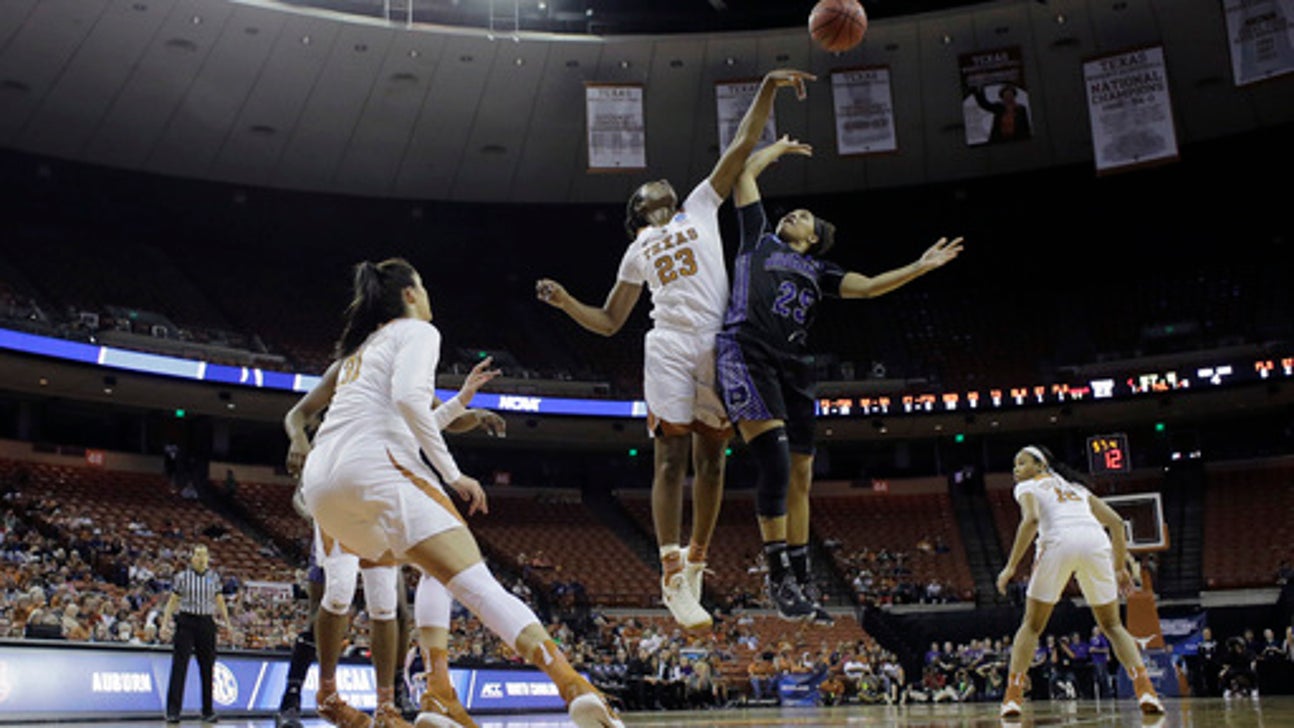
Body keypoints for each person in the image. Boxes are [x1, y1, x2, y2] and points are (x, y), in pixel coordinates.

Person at [535, 67, 815, 631]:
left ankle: (695, 562)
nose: (657, 182)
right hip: (666, 344)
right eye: (646, 189)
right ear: (639, 211)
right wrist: (568, 303)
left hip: (720, 344)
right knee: (671, 459)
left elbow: (741, 145)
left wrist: (765, 88)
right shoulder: (638, 250)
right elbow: (612, 320)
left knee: (713, 459)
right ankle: (669, 571)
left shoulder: (700, 205)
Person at [296, 257, 622, 728]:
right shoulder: (419, 333)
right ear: (409, 293)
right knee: (477, 584)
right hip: (373, 468)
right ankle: (573, 684)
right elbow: (410, 402)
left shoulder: (362, 350)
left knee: (430, 571)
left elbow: (404, 419)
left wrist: (460, 403)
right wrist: (452, 475)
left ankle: (437, 693)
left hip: (324, 486)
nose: (428, 295)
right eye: (423, 286)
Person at [715, 134, 964, 621]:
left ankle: (803, 582)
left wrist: (920, 265)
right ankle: (779, 577)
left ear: (814, 238)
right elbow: (743, 175)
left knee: (803, 475)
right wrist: (775, 153)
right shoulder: (756, 238)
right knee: (777, 460)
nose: (793, 216)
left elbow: (869, 288)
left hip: (793, 366)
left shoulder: (820, 270)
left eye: (803, 217)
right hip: (745, 350)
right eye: (793, 213)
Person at [279, 377, 505, 728]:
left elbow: (430, 420)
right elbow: (298, 418)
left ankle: (387, 703)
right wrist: (298, 441)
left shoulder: (404, 375)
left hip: (377, 500)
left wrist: (468, 408)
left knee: (388, 605)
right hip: (339, 501)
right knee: (334, 599)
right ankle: (306, 695)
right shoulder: (351, 378)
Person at [995, 444, 1165, 718]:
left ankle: (1013, 698)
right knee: (1112, 625)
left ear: (1040, 466)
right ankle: (1146, 691)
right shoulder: (1077, 489)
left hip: (1059, 543)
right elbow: (1117, 524)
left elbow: (1031, 520)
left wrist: (1010, 567)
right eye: (1015, 464)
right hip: (1096, 543)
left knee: (1031, 625)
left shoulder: (1027, 487)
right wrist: (1120, 567)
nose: (1016, 469)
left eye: (1022, 463)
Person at [160, 544, 230, 725]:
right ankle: (173, 711)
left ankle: (208, 710)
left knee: (208, 667)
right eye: (198, 555)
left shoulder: (213, 577)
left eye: (204, 555)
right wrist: (165, 623)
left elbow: (220, 602)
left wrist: (228, 623)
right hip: (186, 622)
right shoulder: (182, 577)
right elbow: (172, 601)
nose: (201, 558)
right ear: (192, 558)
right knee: (179, 666)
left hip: (206, 622)